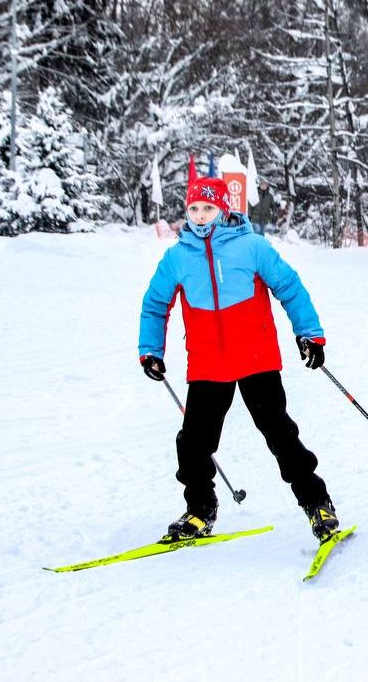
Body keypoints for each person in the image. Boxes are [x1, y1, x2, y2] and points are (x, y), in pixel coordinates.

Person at [139, 158, 340, 542]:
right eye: (194, 208)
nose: (200, 215)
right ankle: (200, 510)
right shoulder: (177, 257)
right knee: (193, 443)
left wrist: (309, 334)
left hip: (256, 359)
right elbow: (155, 304)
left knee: (280, 434)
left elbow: (289, 287)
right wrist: (151, 350)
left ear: (223, 209)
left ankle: (317, 503)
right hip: (208, 365)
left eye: (207, 207)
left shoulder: (251, 247)